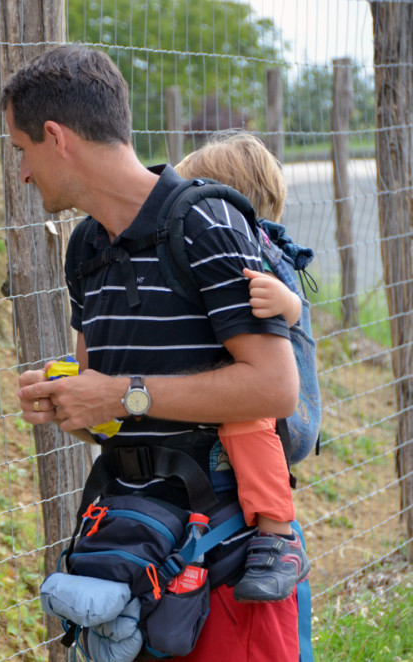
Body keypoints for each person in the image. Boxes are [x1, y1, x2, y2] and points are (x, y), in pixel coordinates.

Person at [3, 45, 300, 661]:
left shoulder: (205, 223)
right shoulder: (85, 249)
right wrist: (72, 401)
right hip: (131, 557)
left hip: (224, 566)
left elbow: (276, 387)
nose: (22, 173)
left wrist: (119, 392)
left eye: (21, 151)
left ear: (56, 137)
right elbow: (117, 407)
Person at [174, 132, 310, 604]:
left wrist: (285, 304)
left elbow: (296, 313)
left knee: (240, 418)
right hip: (253, 402)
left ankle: (278, 533)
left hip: (279, 410)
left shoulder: (262, 255)